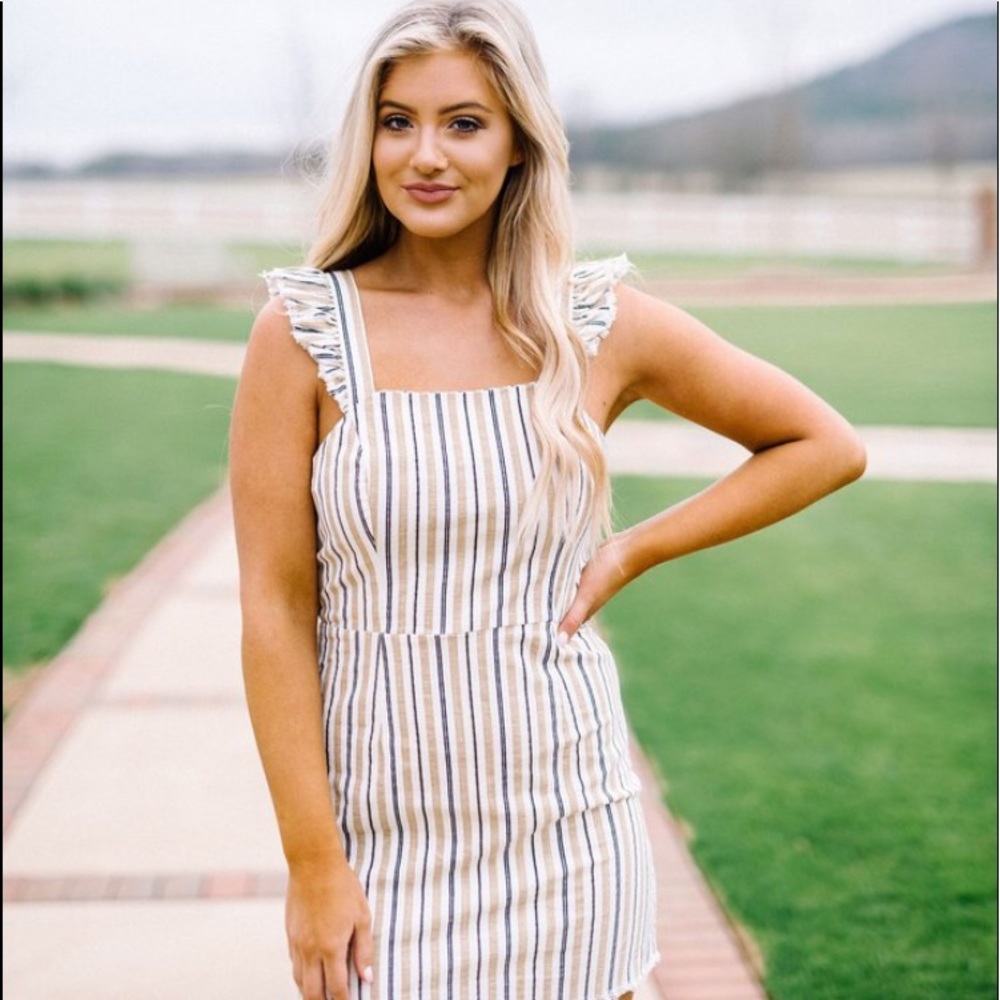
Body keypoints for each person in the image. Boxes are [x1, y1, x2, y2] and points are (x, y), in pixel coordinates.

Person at [229, 2, 867, 998]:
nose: (425, 154)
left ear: (521, 140)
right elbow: (274, 609)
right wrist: (314, 864)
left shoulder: (595, 323)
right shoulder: (303, 331)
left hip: (566, 826)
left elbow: (821, 443)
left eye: (464, 122)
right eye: (397, 121)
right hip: (380, 837)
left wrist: (630, 551)